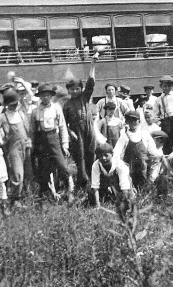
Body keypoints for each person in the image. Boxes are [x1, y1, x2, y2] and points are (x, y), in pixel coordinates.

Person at [31, 83, 74, 201]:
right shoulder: (35, 111)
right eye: (43, 95)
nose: (45, 98)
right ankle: (50, 193)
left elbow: (62, 127)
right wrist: (33, 145)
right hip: (41, 140)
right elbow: (32, 130)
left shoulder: (56, 108)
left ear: (51, 96)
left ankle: (70, 190)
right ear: (39, 97)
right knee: (45, 168)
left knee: (63, 166)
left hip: (54, 138)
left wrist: (65, 144)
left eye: (48, 95)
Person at [63, 53, 98, 189]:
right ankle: (82, 184)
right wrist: (70, 132)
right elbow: (63, 124)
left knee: (91, 154)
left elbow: (91, 82)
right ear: (68, 90)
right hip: (77, 132)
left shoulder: (85, 97)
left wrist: (92, 64)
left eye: (77, 88)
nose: (75, 91)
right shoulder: (67, 105)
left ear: (81, 89)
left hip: (89, 129)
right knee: (80, 157)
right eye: (72, 89)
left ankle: (93, 182)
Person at [0, 90, 31, 207]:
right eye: (12, 104)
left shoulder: (21, 113)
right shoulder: (3, 117)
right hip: (13, 148)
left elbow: (27, 129)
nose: (15, 105)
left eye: (16, 103)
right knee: (17, 174)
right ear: (7, 105)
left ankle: (23, 196)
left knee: (28, 173)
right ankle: (14, 199)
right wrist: (1, 140)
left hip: (25, 146)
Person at [113, 110, 161, 189]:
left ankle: (147, 188)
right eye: (130, 120)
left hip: (143, 168)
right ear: (127, 122)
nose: (133, 123)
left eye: (135, 120)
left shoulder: (144, 134)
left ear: (139, 121)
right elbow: (116, 152)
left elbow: (153, 151)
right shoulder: (124, 136)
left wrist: (161, 156)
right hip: (130, 168)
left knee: (145, 184)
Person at [91, 143, 133, 210]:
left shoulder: (119, 164)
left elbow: (124, 184)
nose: (103, 158)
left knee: (124, 198)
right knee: (91, 193)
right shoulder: (96, 165)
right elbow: (95, 185)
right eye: (100, 156)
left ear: (112, 155)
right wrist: (97, 204)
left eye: (106, 155)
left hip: (119, 185)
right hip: (105, 183)